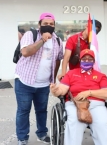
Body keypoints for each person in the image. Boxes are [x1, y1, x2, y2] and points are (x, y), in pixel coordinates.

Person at [14, 12, 63, 145]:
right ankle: (22, 138)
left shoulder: (57, 40)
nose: (48, 26)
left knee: (42, 110)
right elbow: (25, 52)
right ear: (39, 24)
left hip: (43, 84)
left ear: (54, 25)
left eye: (51, 24)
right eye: (45, 24)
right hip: (25, 81)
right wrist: (42, 40)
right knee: (23, 110)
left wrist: (53, 78)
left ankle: (42, 134)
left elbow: (58, 59)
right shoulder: (31, 35)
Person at [50, 49, 107, 145]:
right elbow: (62, 90)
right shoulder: (71, 73)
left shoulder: (101, 76)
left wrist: (89, 93)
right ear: (80, 60)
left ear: (94, 61)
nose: (87, 61)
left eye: (90, 59)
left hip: (96, 105)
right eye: (84, 59)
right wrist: (55, 91)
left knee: (102, 124)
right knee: (74, 124)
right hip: (75, 104)